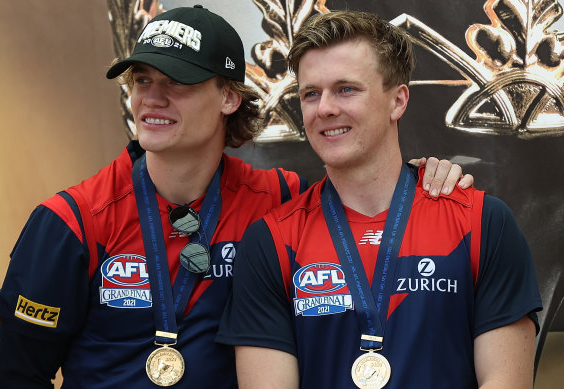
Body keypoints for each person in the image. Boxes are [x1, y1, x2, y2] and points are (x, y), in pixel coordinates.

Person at [0, 5, 471, 389]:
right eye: (141, 81)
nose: (152, 99)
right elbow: (18, 374)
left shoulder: (279, 199)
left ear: (228, 97)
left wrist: (426, 176)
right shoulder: (72, 221)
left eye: (176, 82)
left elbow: (367, 192)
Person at [216, 10, 543, 389]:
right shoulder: (271, 241)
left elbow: (506, 381)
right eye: (310, 94)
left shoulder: (482, 222)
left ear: (398, 101)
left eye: (346, 89)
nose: (324, 108)